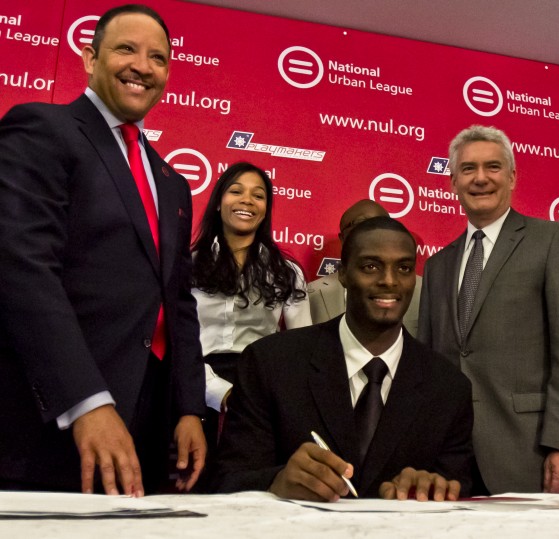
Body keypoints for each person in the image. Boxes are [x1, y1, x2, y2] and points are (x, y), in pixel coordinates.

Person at [0, 4, 206, 495]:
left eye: (158, 57)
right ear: (90, 58)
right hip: (49, 428)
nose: (143, 65)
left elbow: (177, 305)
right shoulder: (41, 130)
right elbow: (21, 267)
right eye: (126, 49)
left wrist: (189, 407)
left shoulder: (172, 181)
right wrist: (86, 400)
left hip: (146, 435)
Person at [213, 216, 474, 501]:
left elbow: (458, 491)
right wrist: (276, 482)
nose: (389, 281)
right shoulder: (270, 363)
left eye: (404, 268)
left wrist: (432, 488)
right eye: (371, 266)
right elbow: (229, 481)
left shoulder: (449, 387)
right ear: (343, 273)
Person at [418, 125, 559, 494]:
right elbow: (429, 363)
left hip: (529, 452)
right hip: (448, 459)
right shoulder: (437, 266)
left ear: (513, 176)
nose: (480, 178)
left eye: (493, 167)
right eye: (468, 169)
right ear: (452, 181)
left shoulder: (553, 241)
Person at [190, 161, 311, 449]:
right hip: (192, 380)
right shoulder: (187, 265)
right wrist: (219, 392)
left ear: (266, 209)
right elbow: (176, 341)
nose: (247, 200)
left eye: (258, 195)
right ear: (219, 203)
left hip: (259, 388)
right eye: (236, 191)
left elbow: (301, 348)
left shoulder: (287, 271)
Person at [308, 199, 421, 336]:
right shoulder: (312, 293)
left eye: (381, 225)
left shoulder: (425, 291)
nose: (389, 281)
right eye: (361, 225)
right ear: (343, 238)